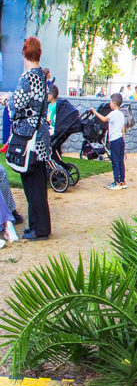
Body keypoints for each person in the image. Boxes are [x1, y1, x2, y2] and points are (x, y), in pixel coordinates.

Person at [10, 37, 52, 239]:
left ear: (24, 53)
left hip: (29, 138)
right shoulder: (42, 77)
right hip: (40, 138)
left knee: (32, 185)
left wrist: (7, 100)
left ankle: (40, 229)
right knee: (37, 183)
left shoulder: (27, 78)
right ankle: (36, 225)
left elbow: (16, 103)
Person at [93, 93, 128, 190]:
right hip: (120, 140)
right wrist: (123, 142)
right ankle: (122, 181)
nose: (110, 104)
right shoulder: (121, 114)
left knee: (115, 161)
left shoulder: (113, 114)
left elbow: (104, 119)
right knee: (121, 161)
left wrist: (94, 112)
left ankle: (116, 181)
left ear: (114, 103)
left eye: (110, 102)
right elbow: (123, 128)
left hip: (114, 140)